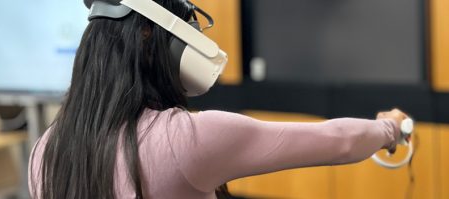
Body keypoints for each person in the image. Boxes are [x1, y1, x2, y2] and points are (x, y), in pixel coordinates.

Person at [28, 0, 409, 198]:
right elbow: (337, 141)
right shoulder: (183, 140)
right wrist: (389, 128)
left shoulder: (44, 151)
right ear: (151, 38)